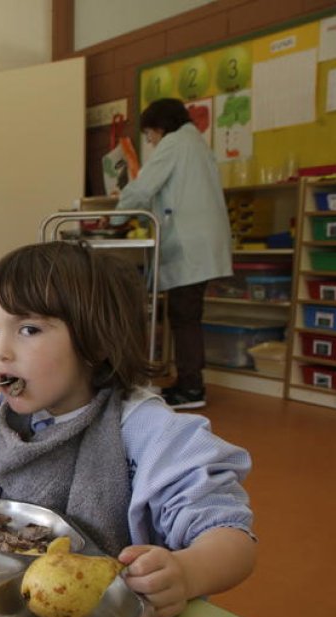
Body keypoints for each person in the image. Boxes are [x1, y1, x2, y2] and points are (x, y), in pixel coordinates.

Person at [0, 241, 255, 617]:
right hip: (9, 603)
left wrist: (187, 573)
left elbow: (232, 538)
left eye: (28, 329)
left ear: (98, 341)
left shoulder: (147, 430)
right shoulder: (5, 412)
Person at [114, 97, 231, 410]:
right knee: (187, 315)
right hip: (200, 245)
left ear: (160, 127)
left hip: (190, 247)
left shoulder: (175, 144)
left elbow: (143, 188)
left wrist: (114, 217)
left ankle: (192, 388)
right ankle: (189, 383)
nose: (151, 142)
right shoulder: (197, 146)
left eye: (150, 135)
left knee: (185, 316)